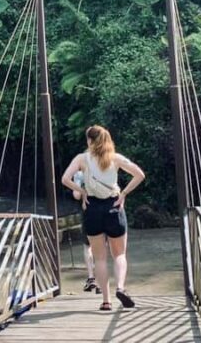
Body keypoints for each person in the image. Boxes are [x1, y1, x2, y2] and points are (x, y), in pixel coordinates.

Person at [62, 124, 146, 311]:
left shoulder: (81, 159)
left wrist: (82, 191)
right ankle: (121, 288)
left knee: (99, 258)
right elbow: (139, 174)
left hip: (92, 209)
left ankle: (106, 301)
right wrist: (123, 193)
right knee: (120, 255)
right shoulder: (115, 158)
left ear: (89, 141)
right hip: (113, 207)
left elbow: (65, 179)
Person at [72, 170, 99, 293]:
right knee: (100, 247)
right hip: (103, 210)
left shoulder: (79, 174)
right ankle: (100, 282)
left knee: (87, 246)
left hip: (87, 212)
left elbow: (76, 195)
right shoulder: (102, 169)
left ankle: (91, 277)